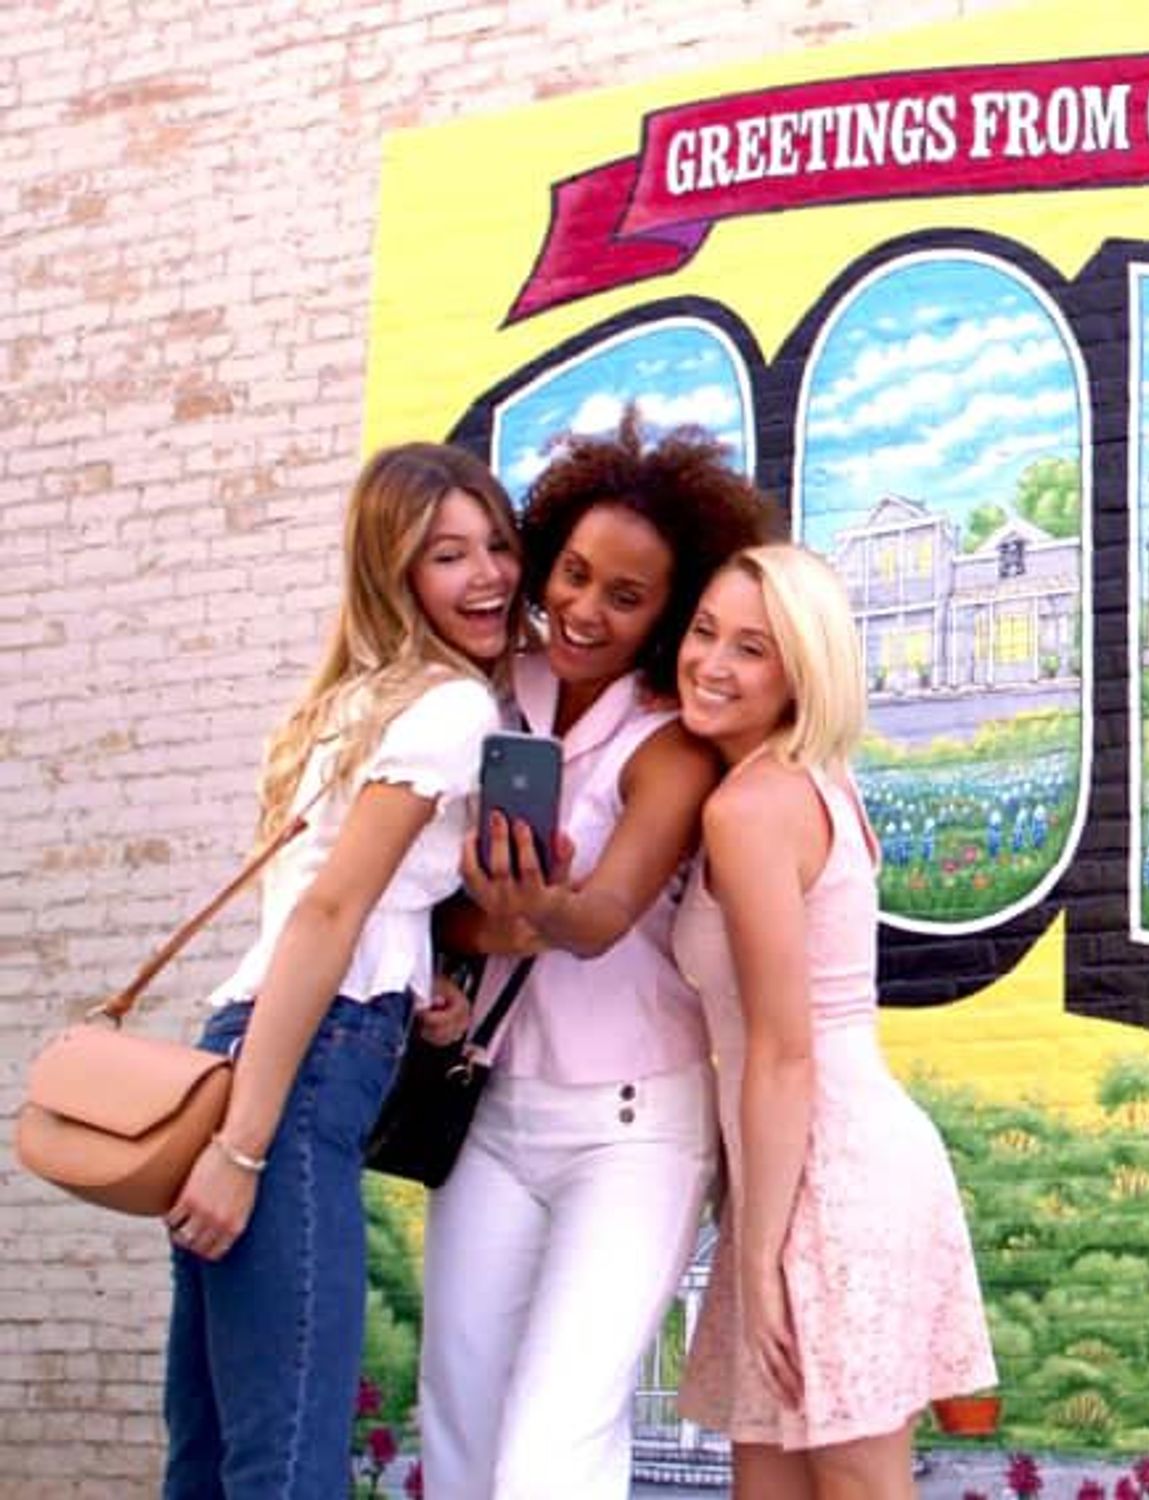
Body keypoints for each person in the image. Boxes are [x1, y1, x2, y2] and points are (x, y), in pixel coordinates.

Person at [417, 416, 777, 1499]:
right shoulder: (483, 691)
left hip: (635, 1133)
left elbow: (608, 911)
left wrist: (525, 912)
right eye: (573, 574)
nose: (583, 609)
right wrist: (478, 935)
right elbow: (432, 910)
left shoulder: (667, 741)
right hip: (492, 1117)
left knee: (553, 1447)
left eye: (625, 597)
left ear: (667, 613)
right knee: (459, 1426)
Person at [162, 442, 526, 1498]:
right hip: (299, 1063)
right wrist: (243, 1149)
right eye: (447, 555)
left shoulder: (350, 705)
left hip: (249, 1041)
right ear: (394, 572)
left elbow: (342, 906)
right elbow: (329, 909)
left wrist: (423, 983)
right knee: (287, 1454)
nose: (488, 576)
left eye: (496, 546)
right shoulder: (452, 710)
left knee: (213, 1445)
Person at [670, 543, 997, 1500]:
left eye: (752, 650)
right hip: (809, 1170)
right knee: (770, 1482)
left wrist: (762, 1256)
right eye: (703, 633)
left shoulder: (752, 807)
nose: (712, 664)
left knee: (857, 1483)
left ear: (801, 672)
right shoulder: (815, 781)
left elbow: (780, 1050)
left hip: (824, 1181)